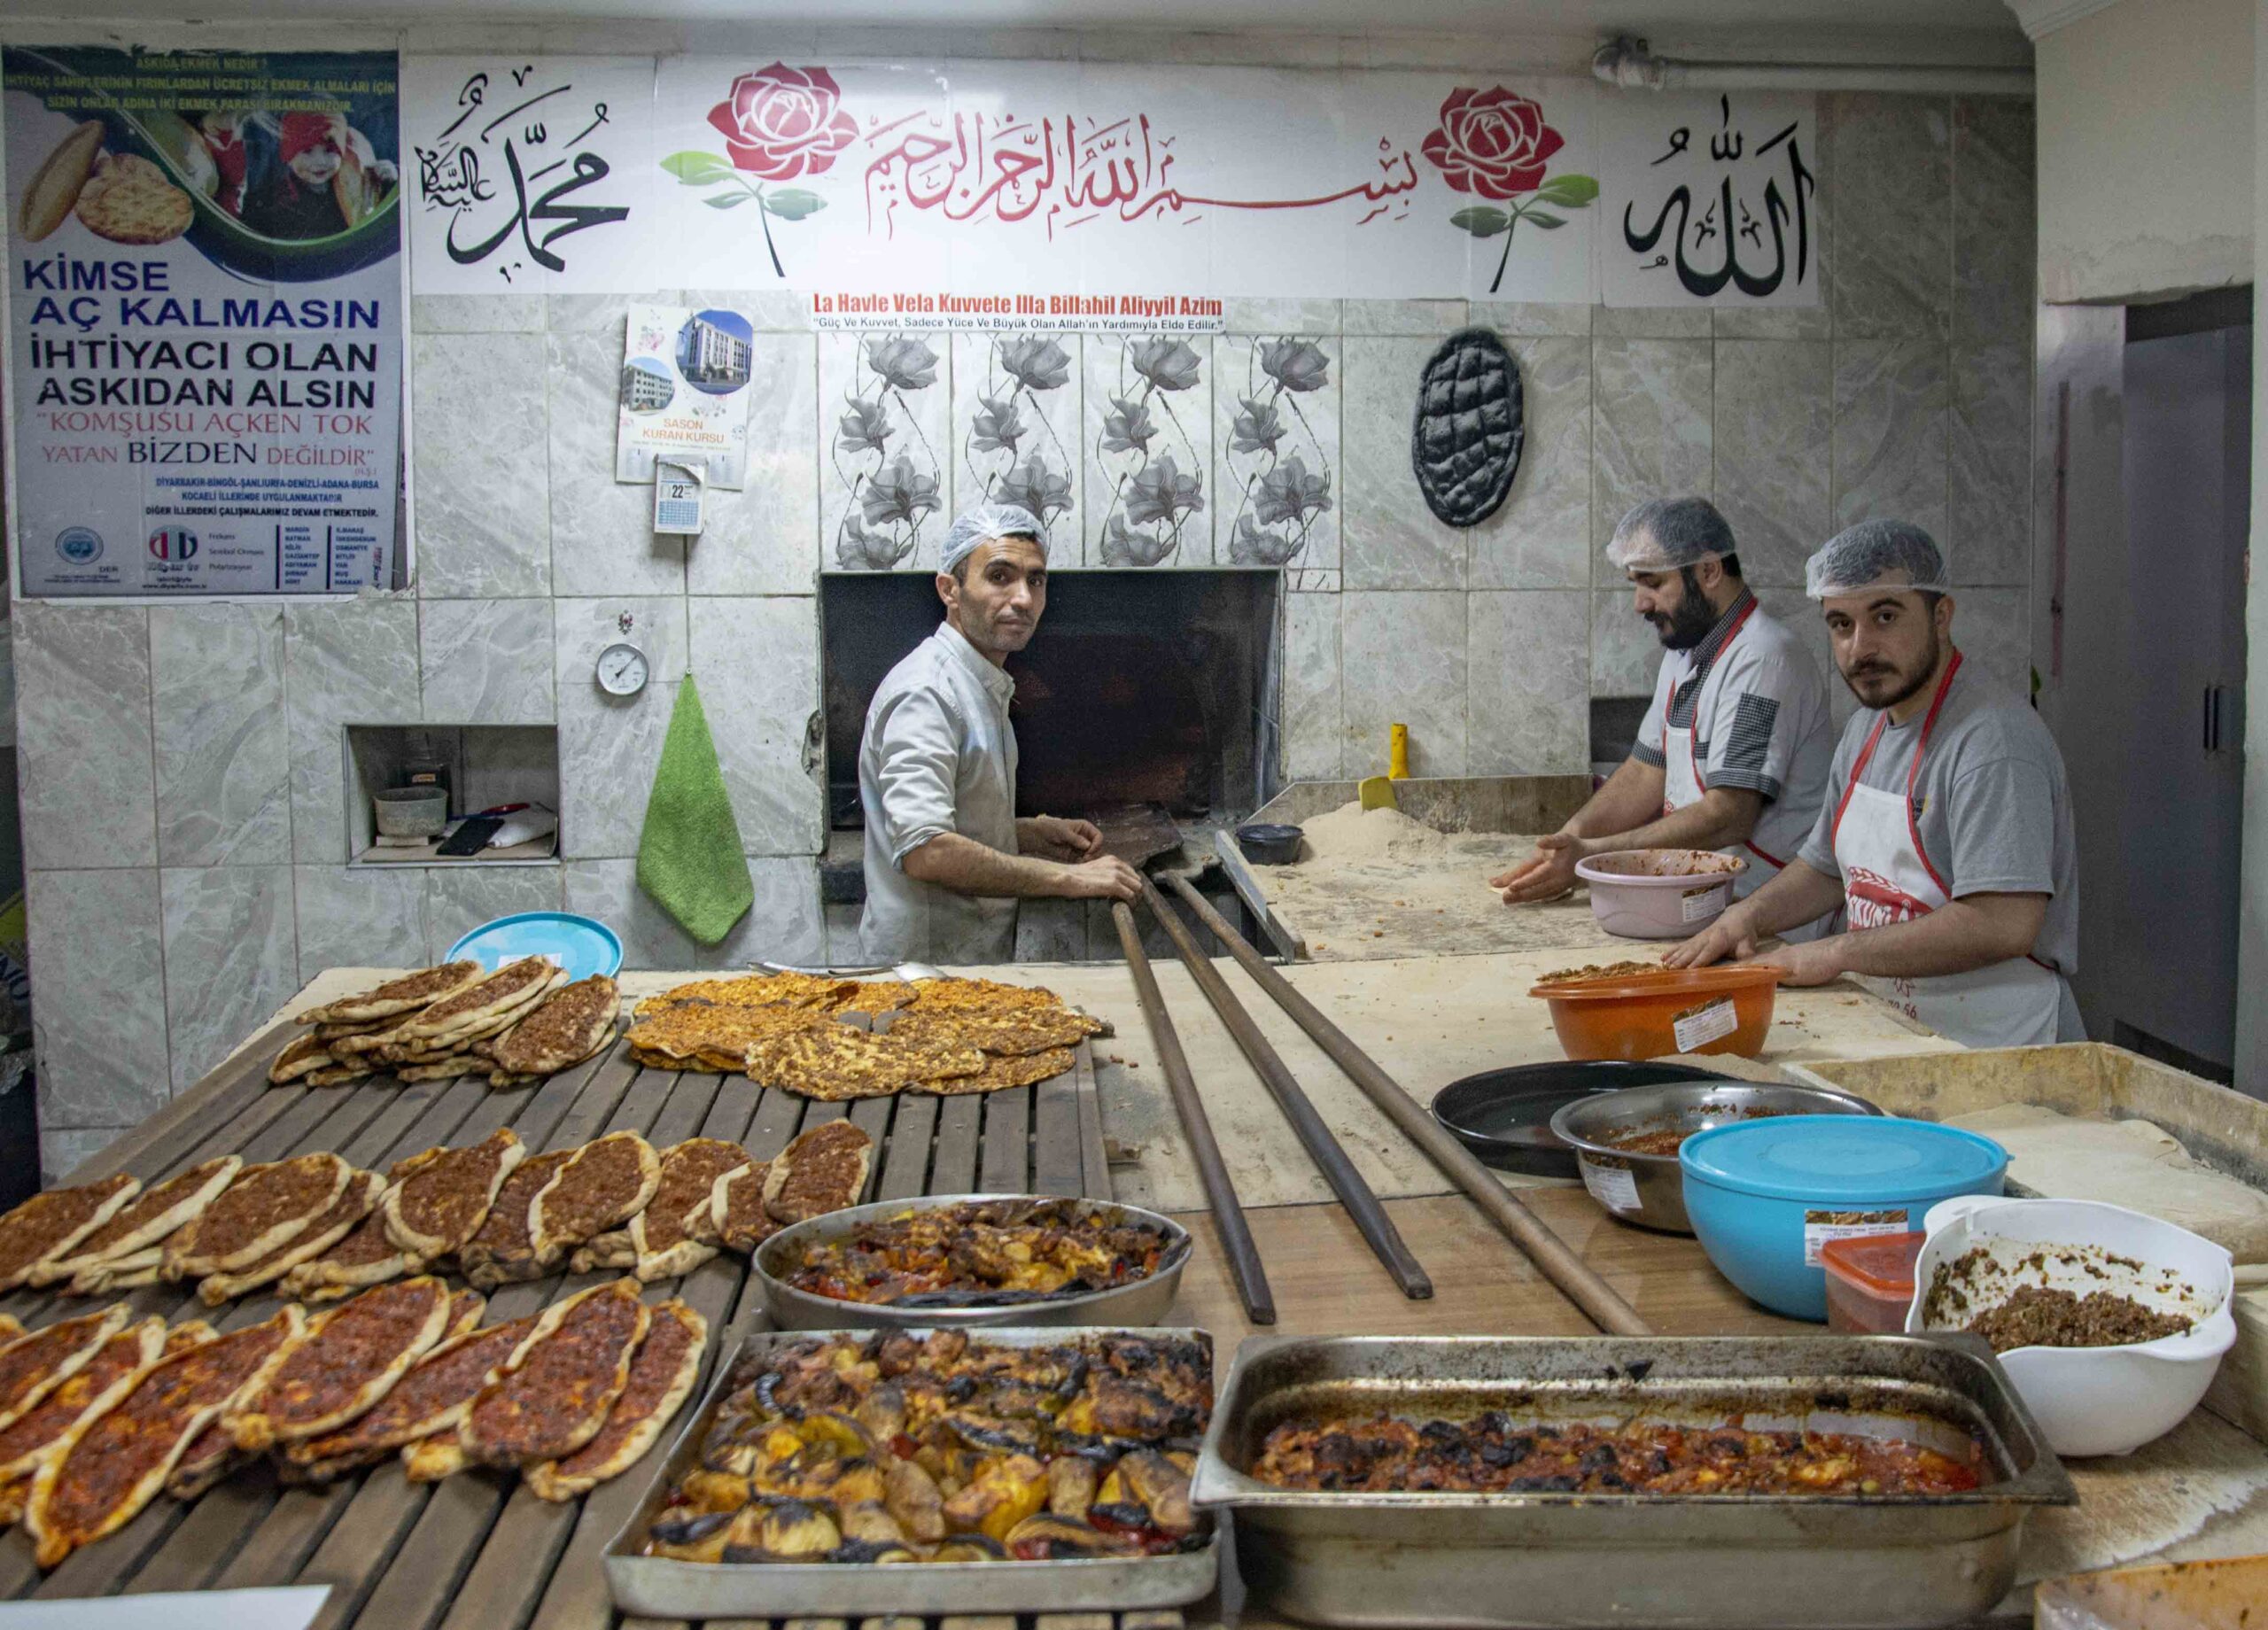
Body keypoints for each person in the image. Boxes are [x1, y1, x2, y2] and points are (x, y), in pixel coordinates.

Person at [1666, 519, 2084, 1048]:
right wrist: (1745, 917)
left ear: (1941, 616)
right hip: (1903, 1028)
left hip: (1999, 1042)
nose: (1860, 647)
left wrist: (1837, 952)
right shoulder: (1868, 727)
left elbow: (2003, 923)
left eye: (1885, 617)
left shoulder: (1992, 742)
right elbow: (1825, 869)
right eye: (1841, 624)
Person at [1493, 497, 1835, 934]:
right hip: (1708, 904)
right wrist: (1564, 844)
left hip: (1772, 920)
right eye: (1636, 584)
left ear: (1709, 571)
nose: (1640, 603)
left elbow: (1730, 813)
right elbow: (1644, 772)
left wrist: (1594, 855)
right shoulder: (1685, 652)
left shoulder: (1763, 660)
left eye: (1653, 583)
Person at [858, 501, 1142, 964]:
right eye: (999, 577)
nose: (1024, 598)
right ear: (950, 590)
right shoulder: (927, 693)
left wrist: (1025, 833)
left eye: (1035, 580)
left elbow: (950, 816)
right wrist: (1069, 879)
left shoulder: (978, 681)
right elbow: (926, 851)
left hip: (967, 960)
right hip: (923, 973)